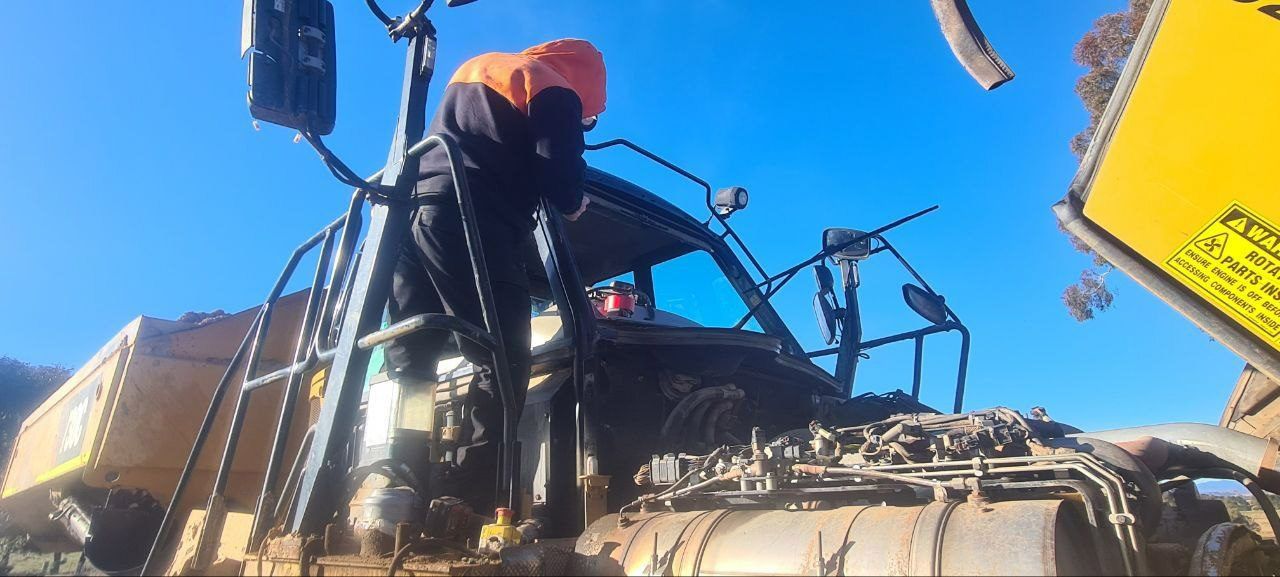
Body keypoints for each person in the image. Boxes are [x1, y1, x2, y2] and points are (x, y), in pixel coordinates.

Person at [386, 39, 605, 514]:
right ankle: (469, 499)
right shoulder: (556, 89)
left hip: (415, 218)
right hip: (475, 222)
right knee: (501, 361)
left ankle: (399, 478)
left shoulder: (480, 68)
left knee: (413, 363)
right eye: (588, 119)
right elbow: (559, 174)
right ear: (587, 86)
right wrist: (574, 201)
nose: (585, 123)